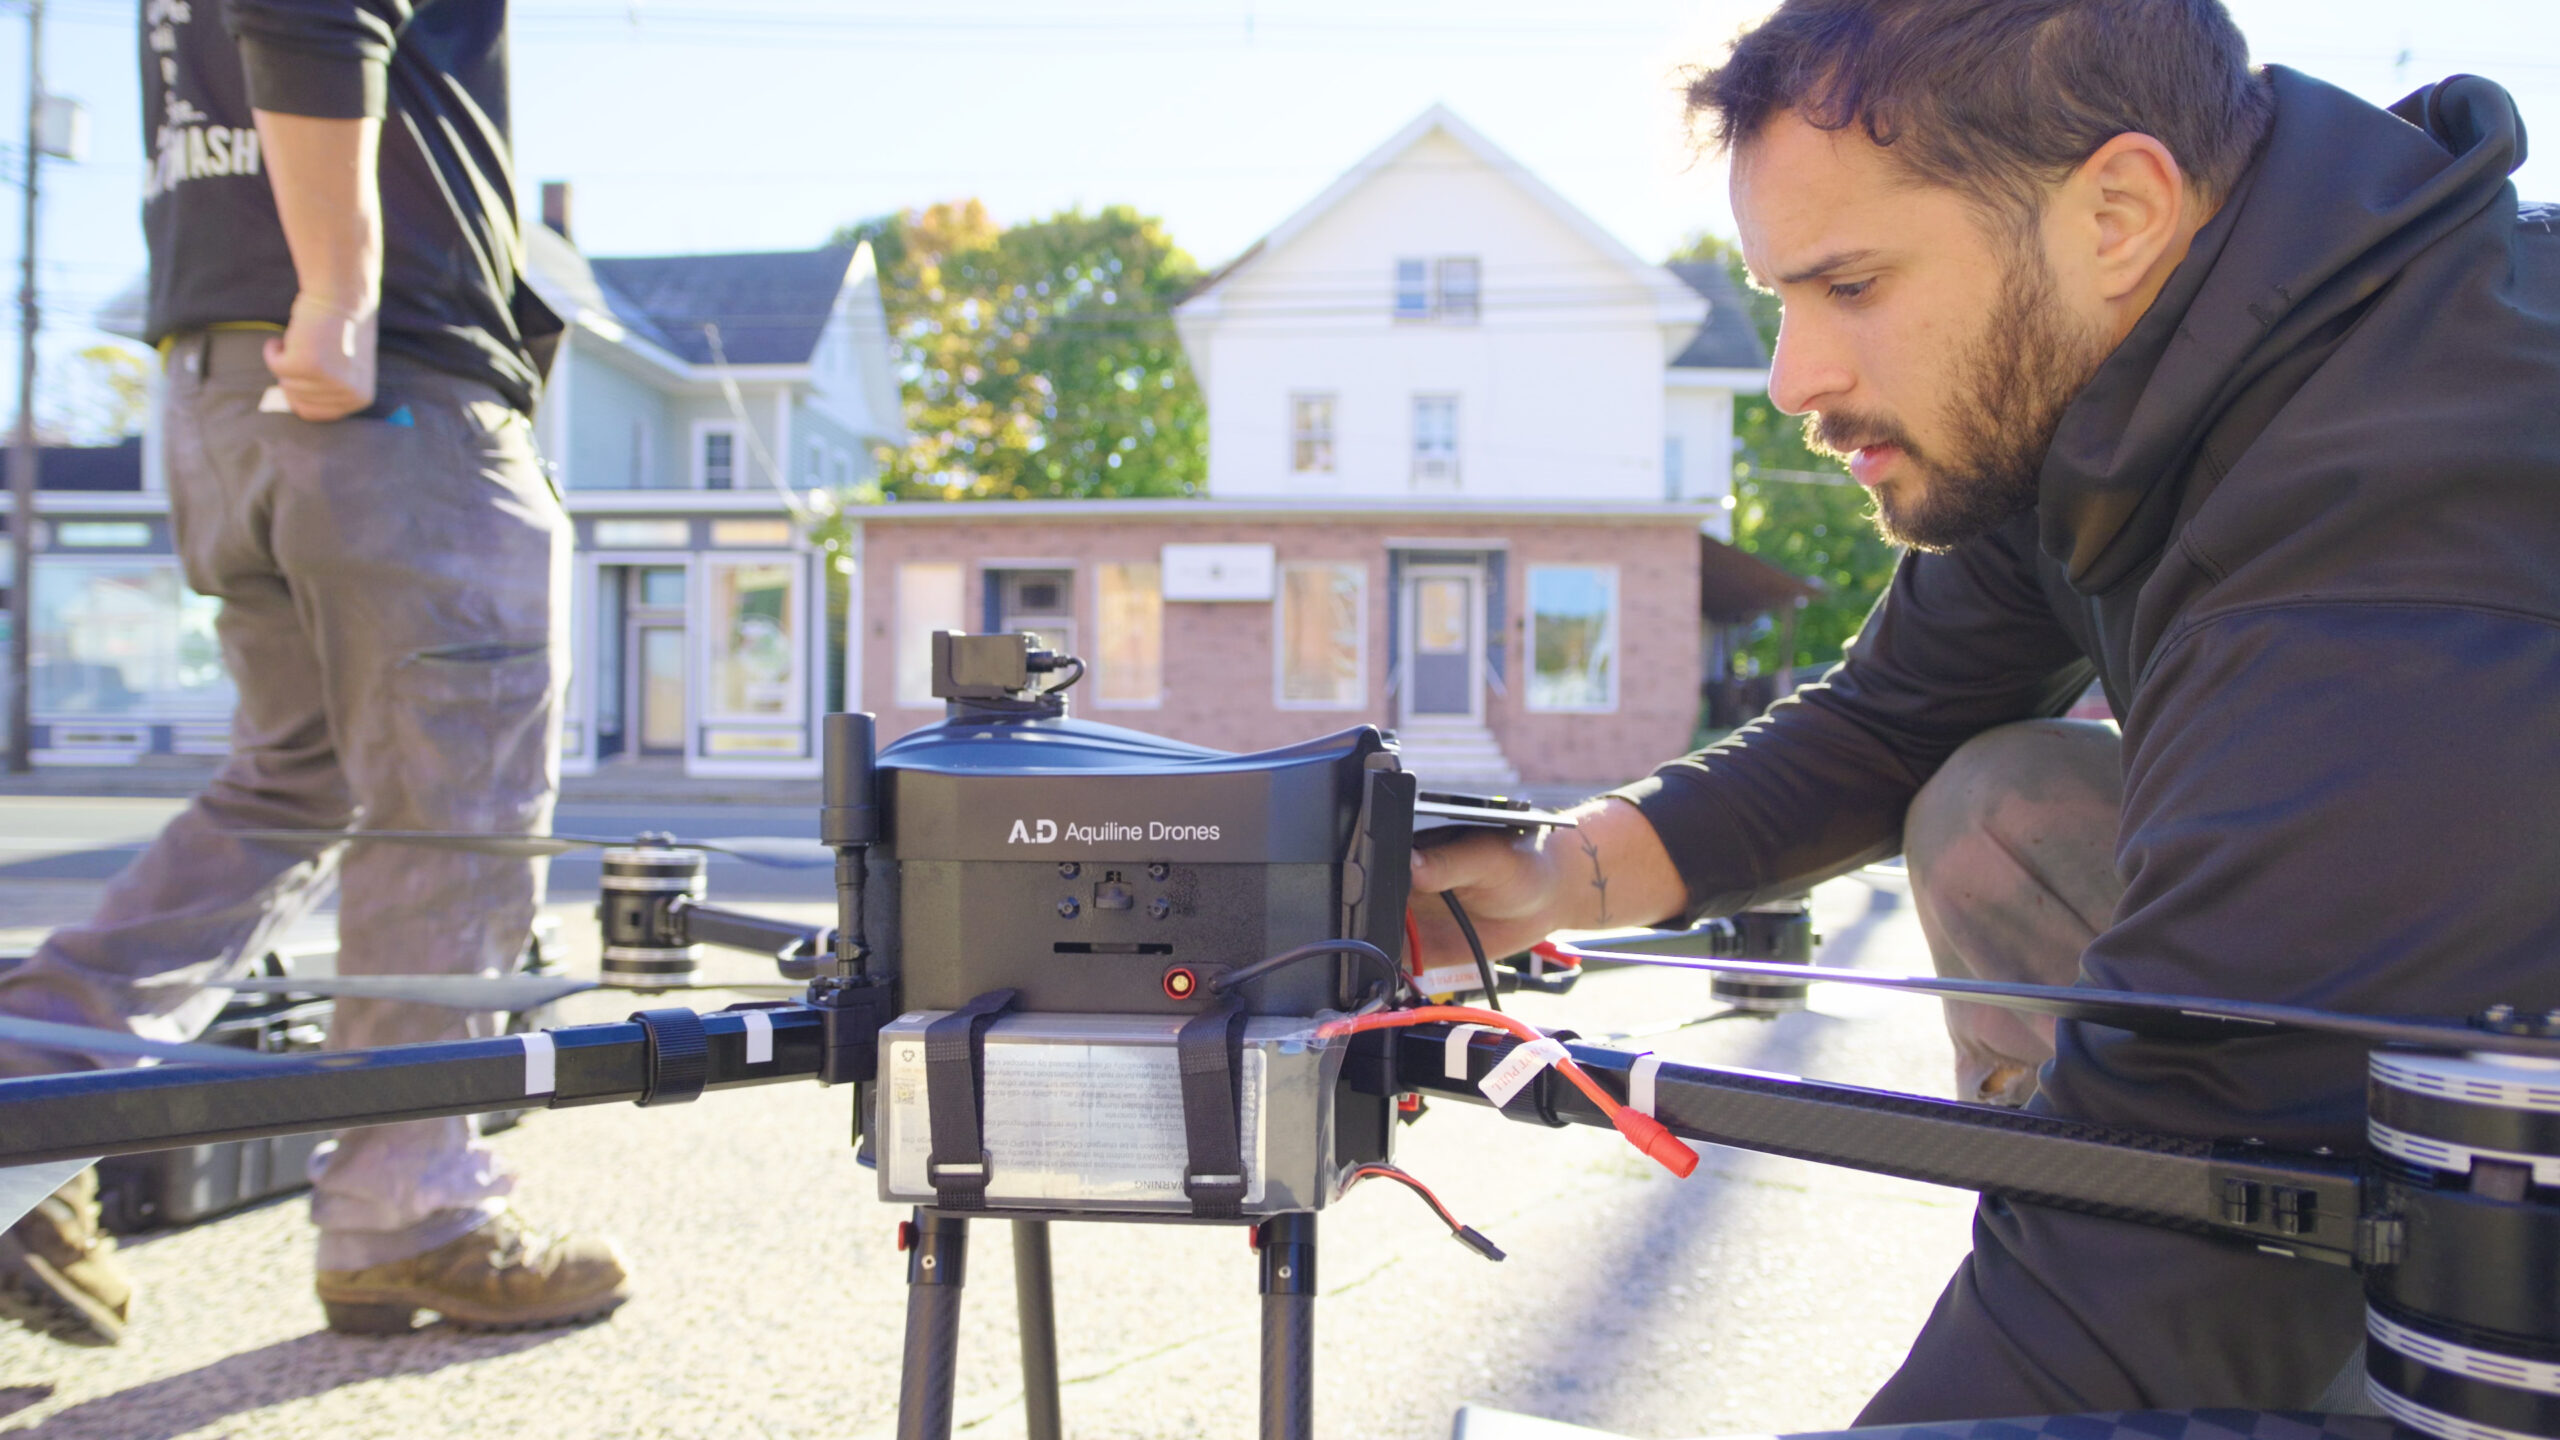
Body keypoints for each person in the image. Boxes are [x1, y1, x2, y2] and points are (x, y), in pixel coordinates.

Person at [1411, 0, 2560, 1421]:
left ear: (2119, 210)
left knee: (2205, 1245)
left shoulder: (2393, 544)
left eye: (1852, 286)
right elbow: (1885, 721)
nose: (1793, 380)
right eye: (1781, 301)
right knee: (1997, 801)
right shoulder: (2118, 390)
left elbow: (2153, 1235)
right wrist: (1542, 880)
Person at [0, 0, 628, 1344]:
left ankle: (21, 1087)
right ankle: (413, 1210)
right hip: (373, 375)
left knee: (296, 783)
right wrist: (341, 289)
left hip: (228, 379)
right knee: (450, 814)